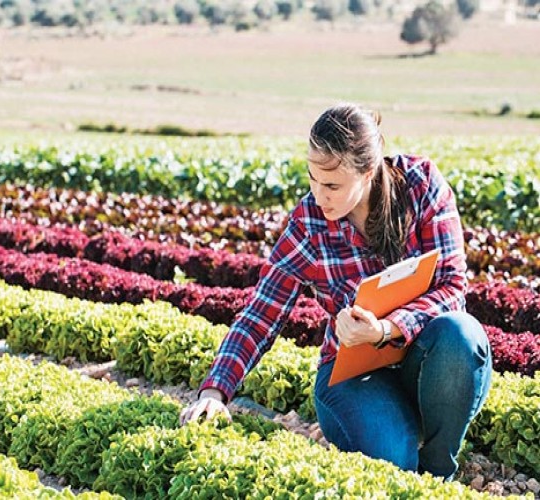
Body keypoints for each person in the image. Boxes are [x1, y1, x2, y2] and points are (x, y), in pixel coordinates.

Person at [179, 103, 492, 480]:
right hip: (353, 376)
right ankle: (401, 442)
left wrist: (385, 329)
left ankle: (439, 468)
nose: (318, 195)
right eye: (312, 179)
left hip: (425, 358)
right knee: (394, 464)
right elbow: (261, 313)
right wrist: (215, 391)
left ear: (369, 172)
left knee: (461, 334)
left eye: (332, 185)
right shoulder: (309, 224)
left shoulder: (421, 187)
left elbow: (453, 288)